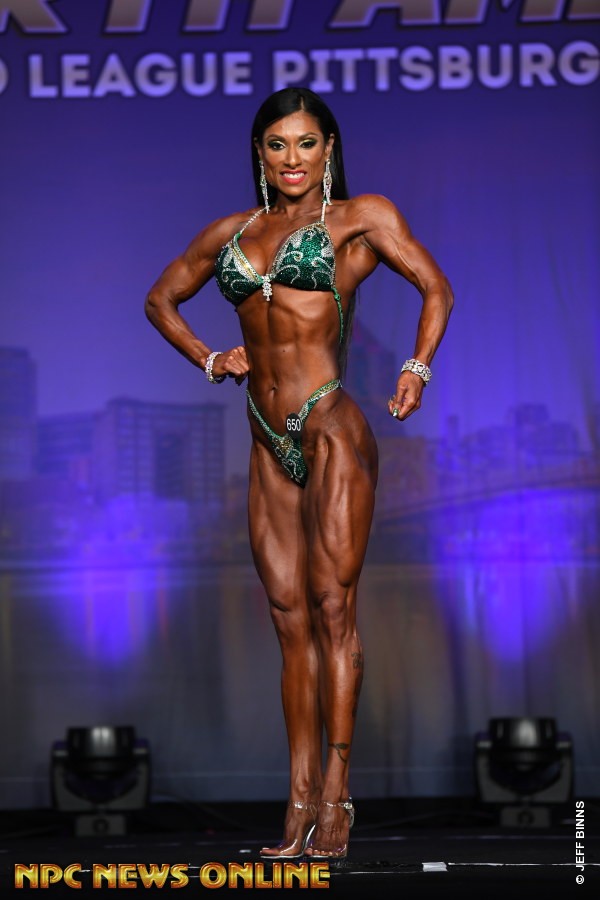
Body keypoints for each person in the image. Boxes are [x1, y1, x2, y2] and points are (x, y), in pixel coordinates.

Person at [145, 87, 453, 859]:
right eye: (278, 144)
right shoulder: (231, 233)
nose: (293, 158)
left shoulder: (359, 218)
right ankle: (298, 804)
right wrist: (210, 358)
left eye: (307, 143)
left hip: (329, 425)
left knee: (332, 609)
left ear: (329, 149)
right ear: (260, 153)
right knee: (288, 621)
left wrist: (416, 367)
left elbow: (436, 286)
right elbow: (160, 299)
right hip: (263, 436)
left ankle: (337, 798)